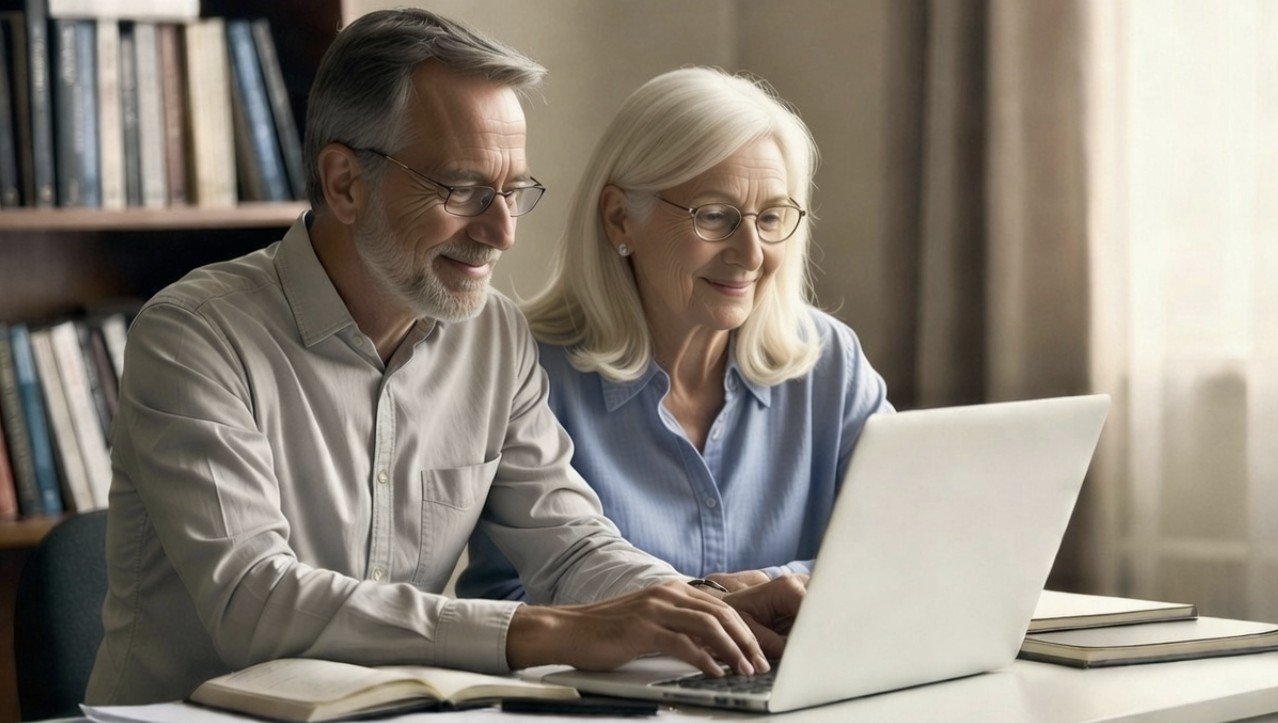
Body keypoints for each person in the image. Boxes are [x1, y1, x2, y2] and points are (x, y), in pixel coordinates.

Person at [85, 12, 804, 706]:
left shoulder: (494, 336)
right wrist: (545, 630)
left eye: (513, 191)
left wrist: (701, 606)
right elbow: (256, 601)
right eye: (462, 189)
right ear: (344, 183)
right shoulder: (193, 336)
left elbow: (571, 547)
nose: (501, 233)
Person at [459, 68, 892, 601]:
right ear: (619, 218)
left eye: (773, 217)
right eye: (714, 216)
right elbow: (505, 599)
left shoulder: (831, 363)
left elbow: (903, 543)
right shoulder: (529, 370)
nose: (751, 254)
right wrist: (707, 610)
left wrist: (763, 590)